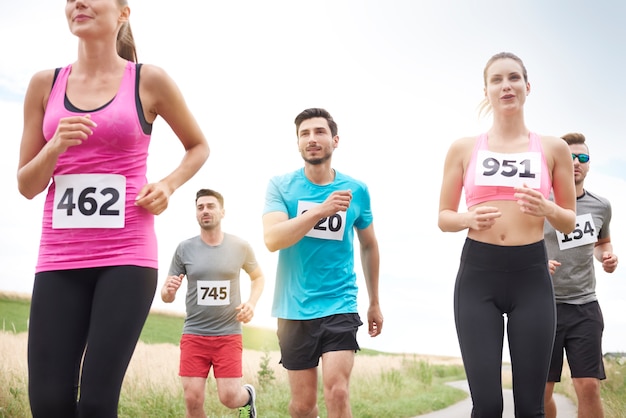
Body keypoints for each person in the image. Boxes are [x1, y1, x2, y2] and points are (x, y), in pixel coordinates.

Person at [16, 1, 210, 416]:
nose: (77, 3)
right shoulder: (43, 85)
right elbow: (26, 185)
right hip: (59, 258)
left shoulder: (148, 79)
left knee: (97, 403)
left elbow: (198, 145)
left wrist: (167, 185)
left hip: (126, 256)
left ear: (123, 12)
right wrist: (54, 146)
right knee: (48, 403)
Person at [437, 52, 577, 417]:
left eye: (513, 78)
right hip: (478, 275)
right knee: (487, 405)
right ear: (486, 90)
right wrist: (467, 218)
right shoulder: (463, 148)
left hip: (531, 274)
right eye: (497, 80)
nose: (506, 86)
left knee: (530, 407)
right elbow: (444, 218)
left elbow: (568, 222)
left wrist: (547, 209)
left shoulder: (553, 148)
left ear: (527, 87)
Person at [262, 108, 383, 418]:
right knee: (302, 406)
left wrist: (374, 303)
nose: (312, 139)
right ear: (298, 143)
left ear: (335, 140)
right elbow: (273, 239)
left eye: (319, 132)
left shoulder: (356, 190)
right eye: (305, 134)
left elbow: (369, 245)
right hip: (293, 308)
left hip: (339, 302)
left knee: (338, 391)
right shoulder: (280, 186)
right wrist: (319, 210)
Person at [161, 188, 264, 418]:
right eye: (200, 207)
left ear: (222, 212)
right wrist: (168, 291)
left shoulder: (240, 246)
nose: (205, 211)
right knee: (192, 400)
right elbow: (166, 296)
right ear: (196, 213)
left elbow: (258, 277)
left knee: (229, 397)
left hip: (228, 334)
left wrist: (252, 303)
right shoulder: (184, 248)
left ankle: (248, 396)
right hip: (194, 333)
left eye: (210, 206)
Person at [543, 133, 618, 418]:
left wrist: (607, 258)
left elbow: (602, 243)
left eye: (582, 157)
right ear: (556, 161)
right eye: (570, 156)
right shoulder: (541, 201)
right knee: (542, 390)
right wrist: (538, 262)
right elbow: (519, 241)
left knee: (588, 386)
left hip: (584, 306)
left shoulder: (601, 206)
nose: (576, 162)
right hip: (543, 306)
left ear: (588, 165)